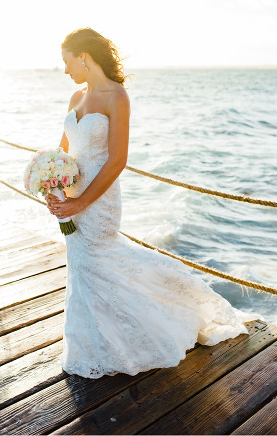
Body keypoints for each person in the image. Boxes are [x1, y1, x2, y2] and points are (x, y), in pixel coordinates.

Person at [46, 28, 253, 378]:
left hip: (99, 197)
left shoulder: (117, 97)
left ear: (83, 57)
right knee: (82, 266)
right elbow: (62, 152)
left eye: (66, 62)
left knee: (100, 258)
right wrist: (53, 184)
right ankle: (93, 342)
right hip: (71, 195)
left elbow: (117, 160)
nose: (65, 71)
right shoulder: (75, 98)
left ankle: (174, 311)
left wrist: (81, 203)